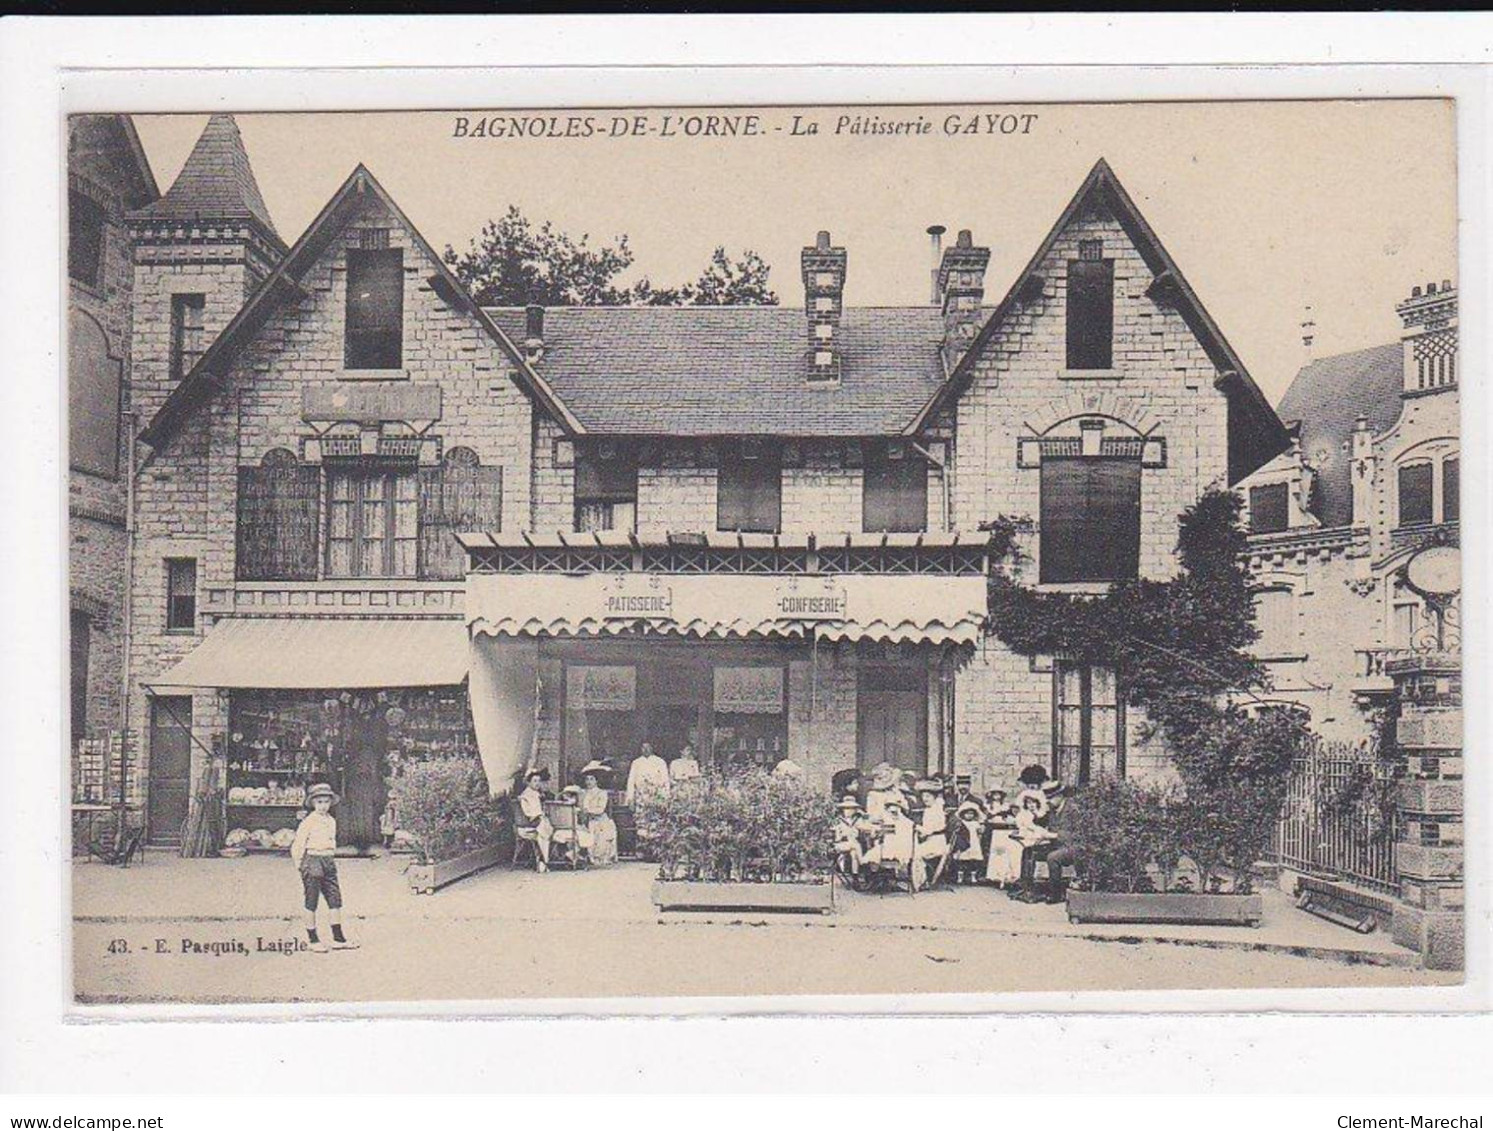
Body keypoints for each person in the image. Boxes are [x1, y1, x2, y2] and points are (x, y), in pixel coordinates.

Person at [290, 783, 357, 953]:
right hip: (312, 860)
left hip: (328, 860)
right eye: (319, 802)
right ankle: (313, 940)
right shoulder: (308, 821)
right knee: (311, 901)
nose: (323, 806)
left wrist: (330, 857)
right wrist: (300, 865)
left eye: (326, 802)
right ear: (313, 803)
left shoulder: (331, 821)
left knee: (335, 900)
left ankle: (338, 938)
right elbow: (298, 845)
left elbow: (331, 842)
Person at [1015, 781, 1076, 903]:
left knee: (1053, 857)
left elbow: (1074, 835)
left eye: (1050, 798)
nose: (1047, 801)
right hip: (1057, 844)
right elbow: (1042, 823)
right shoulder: (1053, 809)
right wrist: (1042, 836)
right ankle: (1027, 889)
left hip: (1072, 846)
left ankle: (1055, 894)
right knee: (1029, 850)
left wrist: (1051, 835)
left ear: (1059, 796)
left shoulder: (1072, 810)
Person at [577, 761, 618, 866]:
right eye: (587, 779)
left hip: (600, 820)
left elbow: (600, 809)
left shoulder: (601, 793)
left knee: (600, 833)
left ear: (596, 781)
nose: (589, 782)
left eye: (592, 779)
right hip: (587, 821)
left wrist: (589, 811)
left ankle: (600, 857)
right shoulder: (583, 793)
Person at [515, 767, 554, 872]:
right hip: (527, 826)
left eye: (539, 781)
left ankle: (543, 860)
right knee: (544, 830)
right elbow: (528, 814)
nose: (537, 783)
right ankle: (543, 861)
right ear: (528, 783)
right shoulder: (526, 795)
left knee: (545, 829)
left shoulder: (536, 794)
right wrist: (540, 815)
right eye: (534, 781)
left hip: (536, 824)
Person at [983, 787, 1023, 887]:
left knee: (1004, 853)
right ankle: (994, 875)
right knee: (996, 853)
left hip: (1004, 831)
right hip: (993, 831)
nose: (996, 796)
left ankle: (1005, 875)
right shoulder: (988, 806)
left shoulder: (1005, 807)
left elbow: (1009, 818)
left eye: (998, 794)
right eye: (994, 794)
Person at [914, 778, 950, 889]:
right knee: (913, 851)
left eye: (928, 796)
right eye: (923, 796)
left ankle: (921, 881)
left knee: (915, 854)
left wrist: (915, 827)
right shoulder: (928, 810)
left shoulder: (937, 810)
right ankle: (918, 878)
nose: (925, 799)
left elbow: (929, 830)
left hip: (937, 842)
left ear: (934, 797)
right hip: (931, 840)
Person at [832, 796, 873, 876]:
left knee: (854, 854)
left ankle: (855, 877)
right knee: (856, 845)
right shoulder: (838, 820)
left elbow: (866, 826)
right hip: (840, 844)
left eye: (851, 808)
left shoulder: (857, 820)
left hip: (852, 845)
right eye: (846, 808)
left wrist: (863, 814)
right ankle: (862, 861)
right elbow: (836, 835)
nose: (848, 811)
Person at [950, 800, 987, 885]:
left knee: (973, 861)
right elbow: (956, 832)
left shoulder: (975, 823)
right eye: (967, 813)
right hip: (964, 843)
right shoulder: (961, 823)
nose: (969, 815)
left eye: (971, 813)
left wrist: (982, 827)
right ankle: (960, 877)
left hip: (974, 843)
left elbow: (980, 831)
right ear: (963, 814)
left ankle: (973, 877)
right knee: (962, 861)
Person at [625, 742, 670, 807]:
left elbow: (665, 780)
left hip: (656, 795)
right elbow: (631, 781)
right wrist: (630, 798)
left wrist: (665, 796)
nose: (646, 749)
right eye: (643, 747)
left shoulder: (660, 761)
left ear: (652, 748)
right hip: (641, 796)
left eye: (648, 747)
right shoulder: (636, 762)